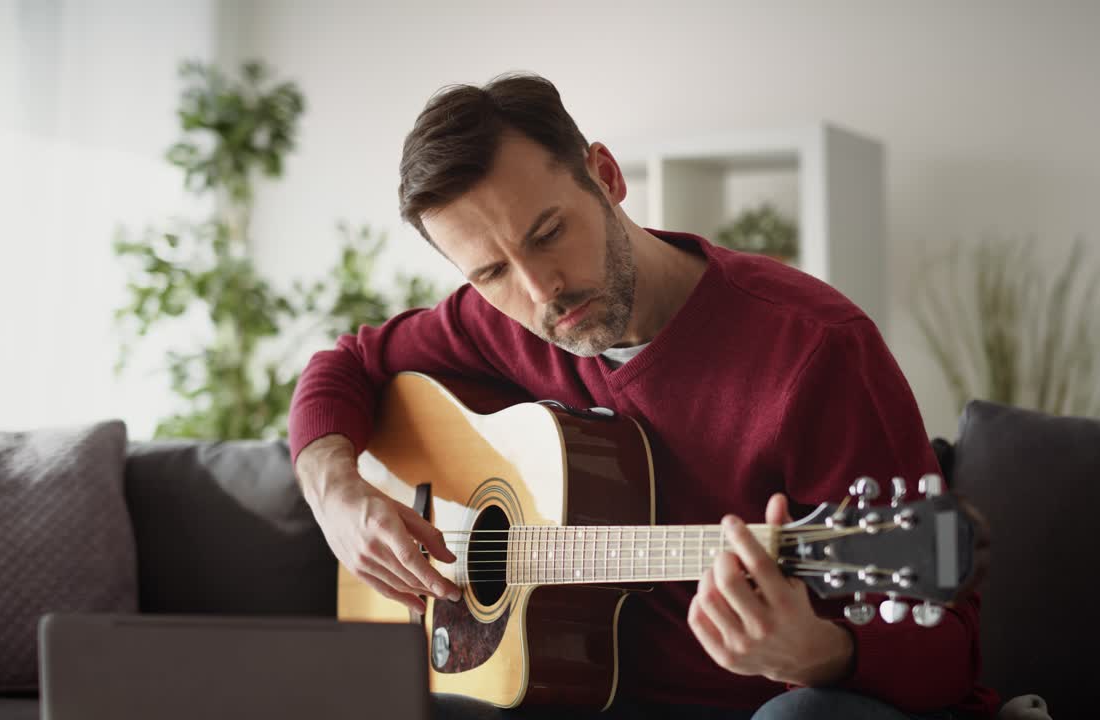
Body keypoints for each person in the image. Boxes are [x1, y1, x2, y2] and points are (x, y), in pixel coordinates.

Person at [288, 72, 998, 720]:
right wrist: (336, 494)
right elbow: (345, 365)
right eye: (491, 273)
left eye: (550, 233)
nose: (541, 292)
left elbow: (951, 655)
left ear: (606, 175)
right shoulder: (502, 322)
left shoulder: (815, 351)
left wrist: (822, 653)